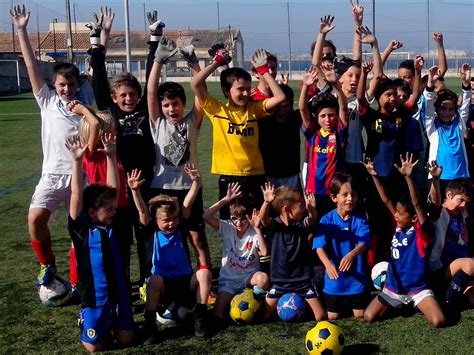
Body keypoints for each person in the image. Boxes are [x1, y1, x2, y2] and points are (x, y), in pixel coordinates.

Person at [10, 4, 84, 289]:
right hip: (52, 174)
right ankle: (48, 264)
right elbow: (30, 65)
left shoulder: (82, 107)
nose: (67, 89)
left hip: (80, 176)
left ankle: (78, 283)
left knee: (79, 231)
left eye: (72, 84)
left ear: (78, 85)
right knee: (35, 219)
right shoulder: (46, 100)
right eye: (63, 84)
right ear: (54, 84)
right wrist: (21, 30)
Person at [88, 7, 156, 285]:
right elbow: (100, 81)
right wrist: (96, 44)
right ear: (115, 99)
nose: (128, 99)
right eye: (123, 95)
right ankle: (122, 281)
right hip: (118, 186)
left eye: (132, 94)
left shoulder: (144, 110)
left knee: (145, 234)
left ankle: (146, 281)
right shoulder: (109, 110)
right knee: (120, 238)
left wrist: (154, 40)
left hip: (145, 181)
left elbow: (153, 77)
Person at [190, 47, 285, 219]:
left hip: (256, 175)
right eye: (240, 89)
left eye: (248, 89)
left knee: (260, 223)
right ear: (227, 91)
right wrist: (217, 62)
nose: (246, 93)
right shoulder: (216, 109)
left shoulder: (254, 110)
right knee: (231, 223)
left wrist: (264, 71)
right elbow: (196, 83)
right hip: (230, 177)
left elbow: (280, 97)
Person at [146, 37, 211, 275]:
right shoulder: (157, 123)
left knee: (197, 239)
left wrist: (194, 63)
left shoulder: (193, 120)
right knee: (166, 240)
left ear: (183, 104)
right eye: (166, 105)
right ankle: (165, 278)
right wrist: (158, 61)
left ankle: (205, 278)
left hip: (190, 188)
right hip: (162, 189)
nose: (171, 109)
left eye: (175, 104)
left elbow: (201, 92)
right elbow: (151, 92)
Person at [127, 166, 212, 342]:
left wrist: (196, 182)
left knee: (204, 273)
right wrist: (135, 190)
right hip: (164, 286)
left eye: (174, 219)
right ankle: (150, 326)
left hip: (185, 283)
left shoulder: (180, 228)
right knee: (154, 280)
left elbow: (187, 205)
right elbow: (143, 212)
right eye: (166, 220)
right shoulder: (151, 231)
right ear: (156, 220)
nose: (171, 223)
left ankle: (200, 319)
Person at [67, 134, 134, 352]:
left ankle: (116, 322)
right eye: (110, 209)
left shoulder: (115, 224)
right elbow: (76, 193)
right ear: (92, 212)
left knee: (126, 340)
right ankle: (85, 318)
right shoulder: (82, 230)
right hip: (96, 297)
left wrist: (112, 157)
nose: (115, 211)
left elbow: (114, 188)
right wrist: (77, 162)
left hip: (121, 293)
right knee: (94, 347)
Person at [363, 154, 446, 328]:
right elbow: (386, 200)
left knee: (439, 320)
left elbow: (417, 205)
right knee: (369, 316)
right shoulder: (397, 224)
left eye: (400, 213)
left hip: (418, 289)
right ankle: (400, 303)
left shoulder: (422, 232)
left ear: (414, 218)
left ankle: (415, 304)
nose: (396, 214)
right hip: (394, 288)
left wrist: (408, 178)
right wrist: (374, 176)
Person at [259, 183, 327, 322]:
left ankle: (302, 305)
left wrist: (312, 209)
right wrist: (266, 202)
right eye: (301, 205)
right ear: (287, 209)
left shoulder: (301, 225)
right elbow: (263, 219)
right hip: (280, 282)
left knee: (321, 316)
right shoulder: (275, 226)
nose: (304, 208)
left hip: (303, 282)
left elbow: (312, 219)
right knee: (264, 316)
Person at [203, 183, 269, 320]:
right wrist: (226, 199)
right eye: (235, 219)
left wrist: (257, 228)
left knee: (263, 279)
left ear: (250, 217)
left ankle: (253, 299)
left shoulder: (253, 231)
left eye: (243, 219)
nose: (238, 223)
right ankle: (235, 302)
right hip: (229, 280)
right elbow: (206, 216)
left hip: (249, 277)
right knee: (218, 314)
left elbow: (264, 251)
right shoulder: (227, 227)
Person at [313, 173, 370, 320]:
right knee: (333, 317)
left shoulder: (360, 219)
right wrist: (328, 265)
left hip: (356, 282)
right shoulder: (327, 220)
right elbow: (319, 246)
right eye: (345, 195)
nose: (350, 198)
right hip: (335, 281)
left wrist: (352, 254)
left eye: (353, 194)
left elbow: (364, 242)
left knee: (360, 315)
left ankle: (350, 300)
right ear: (334, 198)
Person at [299, 65, 348, 217]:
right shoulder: (313, 132)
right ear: (317, 117)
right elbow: (302, 109)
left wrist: (337, 86)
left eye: (331, 115)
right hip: (313, 191)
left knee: (334, 228)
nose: (328, 119)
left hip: (334, 191)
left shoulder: (339, 131)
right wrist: (306, 87)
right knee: (314, 228)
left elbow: (344, 109)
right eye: (323, 116)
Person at [428, 164, 474, 314]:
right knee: (470, 264)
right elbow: (434, 201)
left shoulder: (463, 214)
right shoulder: (440, 213)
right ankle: (447, 302)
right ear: (448, 195)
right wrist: (435, 179)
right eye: (460, 200)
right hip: (440, 269)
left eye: (466, 202)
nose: (463, 205)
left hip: (458, 271)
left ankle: (457, 292)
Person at [425, 64, 472, 185]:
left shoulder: (459, 124)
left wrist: (466, 84)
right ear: (437, 109)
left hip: (461, 177)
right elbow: (428, 108)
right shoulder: (433, 128)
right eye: (443, 108)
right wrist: (430, 84)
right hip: (439, 178)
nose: (447, 112)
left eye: (451, 109)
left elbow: (465, 106)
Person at [258, 84, 302, 189]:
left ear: (291, 105)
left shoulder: (295, 118)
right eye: (277, 106)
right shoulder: (263, 120)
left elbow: (304, 107)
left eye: (285, 106)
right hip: (268, 176)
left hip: (291, 176)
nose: (281, 110)